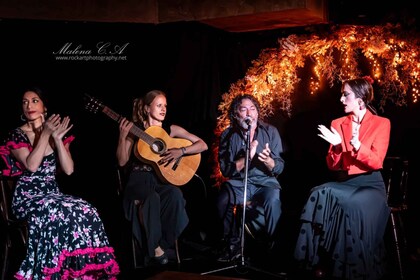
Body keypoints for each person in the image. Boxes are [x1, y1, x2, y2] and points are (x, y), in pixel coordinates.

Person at [0, 86, 120, 279]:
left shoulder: (55, 134)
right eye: (25, 102)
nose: (29, 105)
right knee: (56, 210)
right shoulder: (17, 135)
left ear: (45, 106)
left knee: (86, 209)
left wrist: (56, 138)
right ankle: (51, 272)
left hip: (53, 195)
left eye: (34, 100)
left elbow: (69, 169)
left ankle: (80, 273)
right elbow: (31, 165)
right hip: (28, 198)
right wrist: (45, 134)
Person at [294, 77, 391, 279]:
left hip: (370, 185)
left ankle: (352, 270)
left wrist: (357, 146)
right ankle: (314, 263)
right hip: (346, 183)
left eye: (346, 94)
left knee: (352, 204)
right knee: (319, 192)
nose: (341, 98)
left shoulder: (381, 123)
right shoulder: (338, 123)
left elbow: (376, 161)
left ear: (361, 98)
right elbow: (332, 165)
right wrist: (338, 146)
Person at [116, 89, 208, 265]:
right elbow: (121, 162)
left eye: (165, 106)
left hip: (160, 180)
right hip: (138, 180)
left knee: (175, 195)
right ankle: (156, 249)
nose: (163, 109)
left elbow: (202, 145)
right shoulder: (135, 130)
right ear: (146, 108)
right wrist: (122, 136)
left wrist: (181, 151)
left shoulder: (170, 130)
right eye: (159, 105)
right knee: (151, 198)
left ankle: (159, 246)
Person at [216, 94, 285, 262]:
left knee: (273, 201)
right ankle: (232, 245)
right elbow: (226, 170)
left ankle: (273, 246)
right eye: (243, 109)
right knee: (224, 199)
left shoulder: (270, 132)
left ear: (257, 113)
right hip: (239, 182)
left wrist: (269, 162)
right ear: (236, 114)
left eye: (252, 109)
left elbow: (280, 166)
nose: (249, 113)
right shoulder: (228, 135)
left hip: (265, 182)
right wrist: (246, 157)